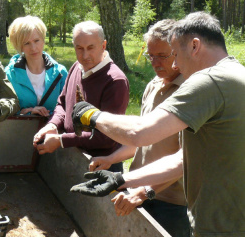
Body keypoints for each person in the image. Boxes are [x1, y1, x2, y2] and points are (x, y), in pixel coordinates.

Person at [71, 12, 245, 236]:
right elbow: (183, 160)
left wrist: (90, 115)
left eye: (175, 53)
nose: (176, 64)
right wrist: (122, 178)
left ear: (194, 46)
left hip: (220, 228)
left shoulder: (210, 81)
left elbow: (140, 132)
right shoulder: (236, 74)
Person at [88, 19, 190, 237]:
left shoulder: (189, 94)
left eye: (162, 56)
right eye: (151, 56)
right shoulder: (153, 85)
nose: (155, 63)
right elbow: (140, 141)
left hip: (170, 203)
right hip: (136, 190)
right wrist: (112, 159)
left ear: (178, 52)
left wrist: (144, 192)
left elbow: (186, 160)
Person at [32, 21, 129, 172]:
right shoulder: (76, 67)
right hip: (74, 159)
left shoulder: (115, 81)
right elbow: (62, 104)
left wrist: (61, 140)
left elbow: (107, 136)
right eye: (79, 48)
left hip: (101, 167)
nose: (85, 56)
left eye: (91, 48)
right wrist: (53, 125)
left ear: (103, 46)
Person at [5, 16, 68, 116]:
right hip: (19, 129)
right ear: (19, 46)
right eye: (27, 43)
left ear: (43, 40)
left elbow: (68, 107)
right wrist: (25, 112)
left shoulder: (61, 72)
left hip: (54, 129)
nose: (33, 48)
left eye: (36, 41)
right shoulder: (9, 74)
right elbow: (5, 109)